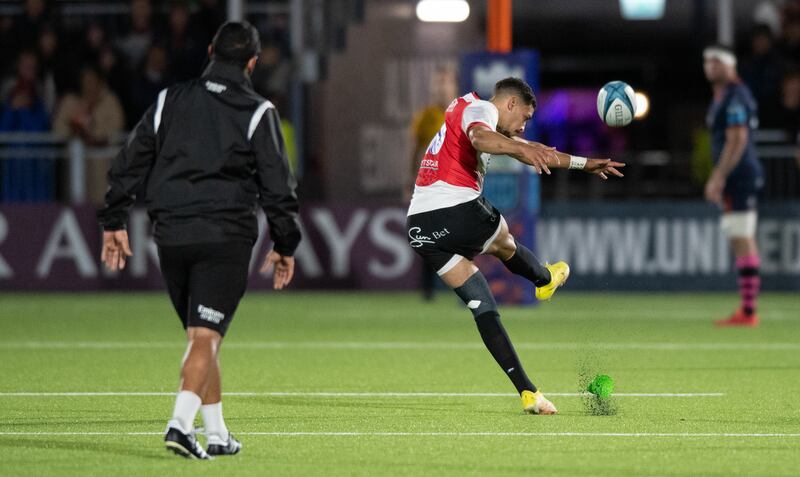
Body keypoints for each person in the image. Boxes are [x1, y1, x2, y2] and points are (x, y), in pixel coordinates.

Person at [97, 21, 301, 459]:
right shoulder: (259, 111)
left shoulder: (170, 99)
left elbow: (131, 159)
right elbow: (278, 188)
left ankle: (218, 433)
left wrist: (113, 216)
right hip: (224, 236)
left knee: (202, 335)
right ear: (251, 62)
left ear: (210, 50)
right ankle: (179, 425)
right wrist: (285, 244)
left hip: (171, 235)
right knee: (206, 337)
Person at [405, 77, 623, 414]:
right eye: (524, 117)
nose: (523, 126)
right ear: (509, 104)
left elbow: (533, 151)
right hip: (454, 209)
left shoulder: (466, 111)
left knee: (483, 305)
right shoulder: (480, 110)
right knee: (502, 238)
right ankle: (543, 279)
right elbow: (482, 137)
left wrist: (583, 164)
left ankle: (528, 392)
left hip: (420, 226)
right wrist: (523, 148)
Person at [702, 45, 764, 327]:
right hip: (736, 176)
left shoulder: (736, 96)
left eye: (716, 61)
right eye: (707, 61)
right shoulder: (725, 96)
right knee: (739, 236)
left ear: (730, 64)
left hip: (740, 176)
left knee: (742, 236)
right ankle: (747, 309)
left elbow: (737, 139)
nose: (710, 66)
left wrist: (719, 176)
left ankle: (749, 311)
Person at [407, 65, 459, 300]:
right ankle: (428, 290)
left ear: (454, 86)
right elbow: (414, 150)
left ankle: (466, 285)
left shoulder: (463, 114)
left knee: (461, 236)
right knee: (428, 237)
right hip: (431, 186)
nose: (440, 88)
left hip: (459, 184)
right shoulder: (426, 116)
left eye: (444, 82)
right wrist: (409, 181)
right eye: (437, 83)